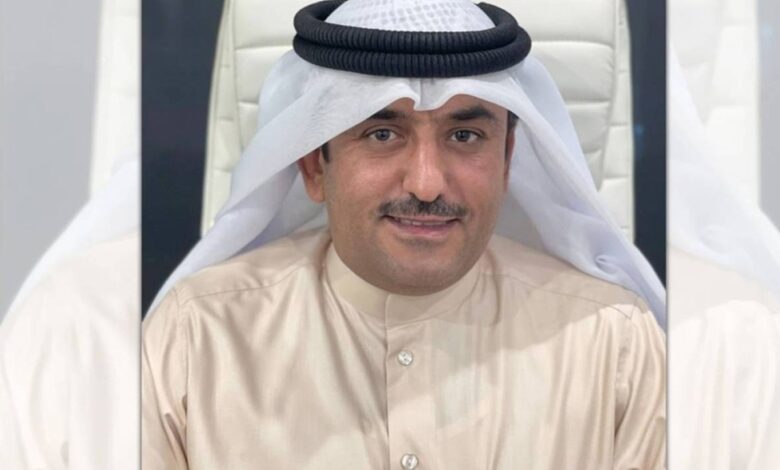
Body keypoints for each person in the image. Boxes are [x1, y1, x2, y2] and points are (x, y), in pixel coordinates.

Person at [143, 0, 666, 468]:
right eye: (382, 134)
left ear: (507, 160)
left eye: (465, 135)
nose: (426, 183)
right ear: (314, 166)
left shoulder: (613, 343)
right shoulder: (195, 337)